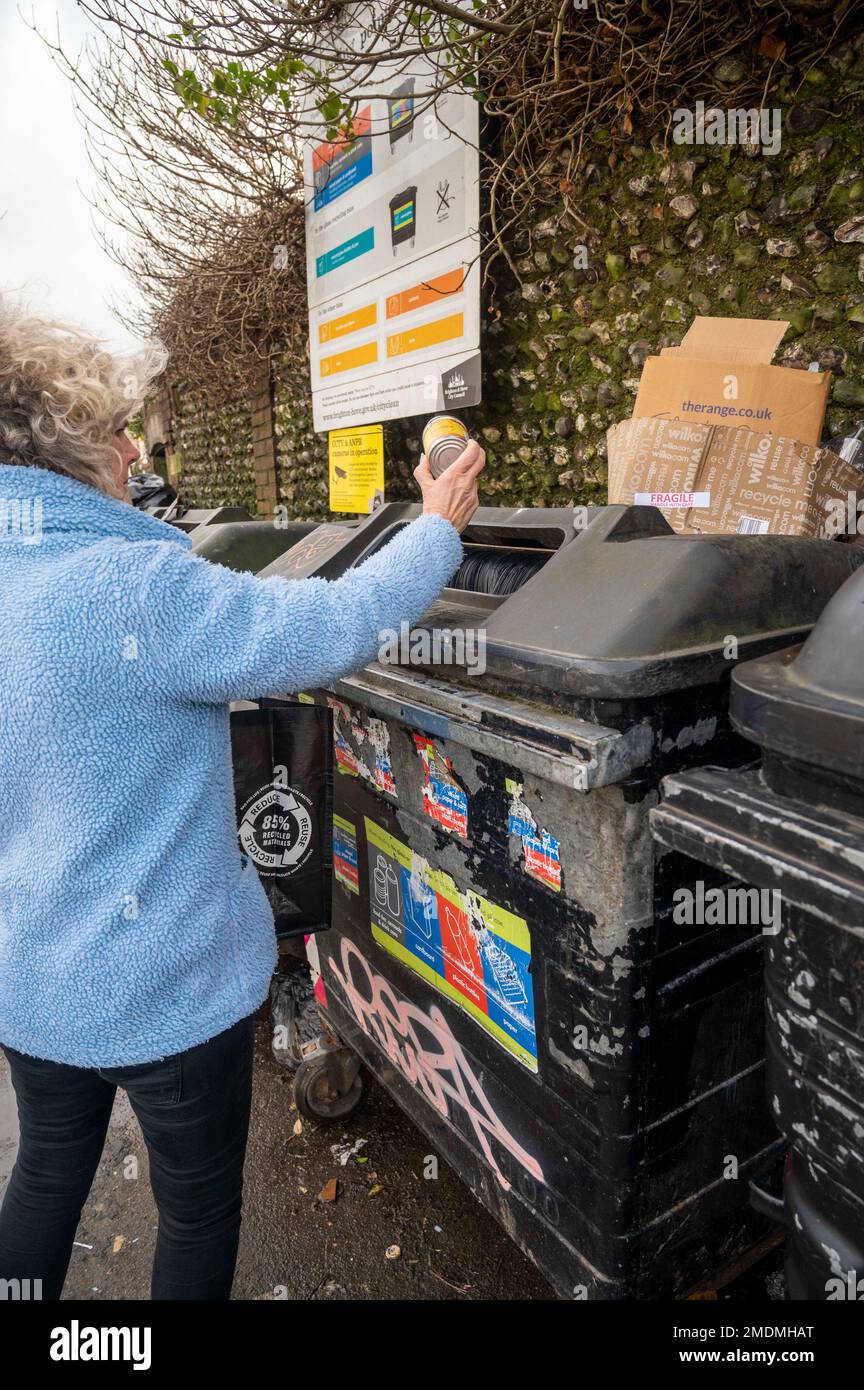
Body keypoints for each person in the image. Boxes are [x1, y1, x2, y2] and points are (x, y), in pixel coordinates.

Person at [0, 301, 484, 1300]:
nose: (135, 445)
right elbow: (333, 622)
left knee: (45, 1174)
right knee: (198, 1208)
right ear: (69, 445)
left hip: (31, 978)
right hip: (165, 989)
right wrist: (437, 531)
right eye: (114, 424)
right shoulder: (130, 586)